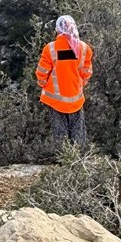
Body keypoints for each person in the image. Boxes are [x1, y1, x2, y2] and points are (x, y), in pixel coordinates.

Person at [35, 15, 93, 149]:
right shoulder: (84, 48)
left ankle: (63, 160)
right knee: (78, 131)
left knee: (60, 132)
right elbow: (87, 72)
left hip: (55, 99)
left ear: (58, 29)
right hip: (76, 98)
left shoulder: (50, 48)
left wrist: (43, 84)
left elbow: (41, 72)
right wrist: (80, 85)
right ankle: (78, 159)